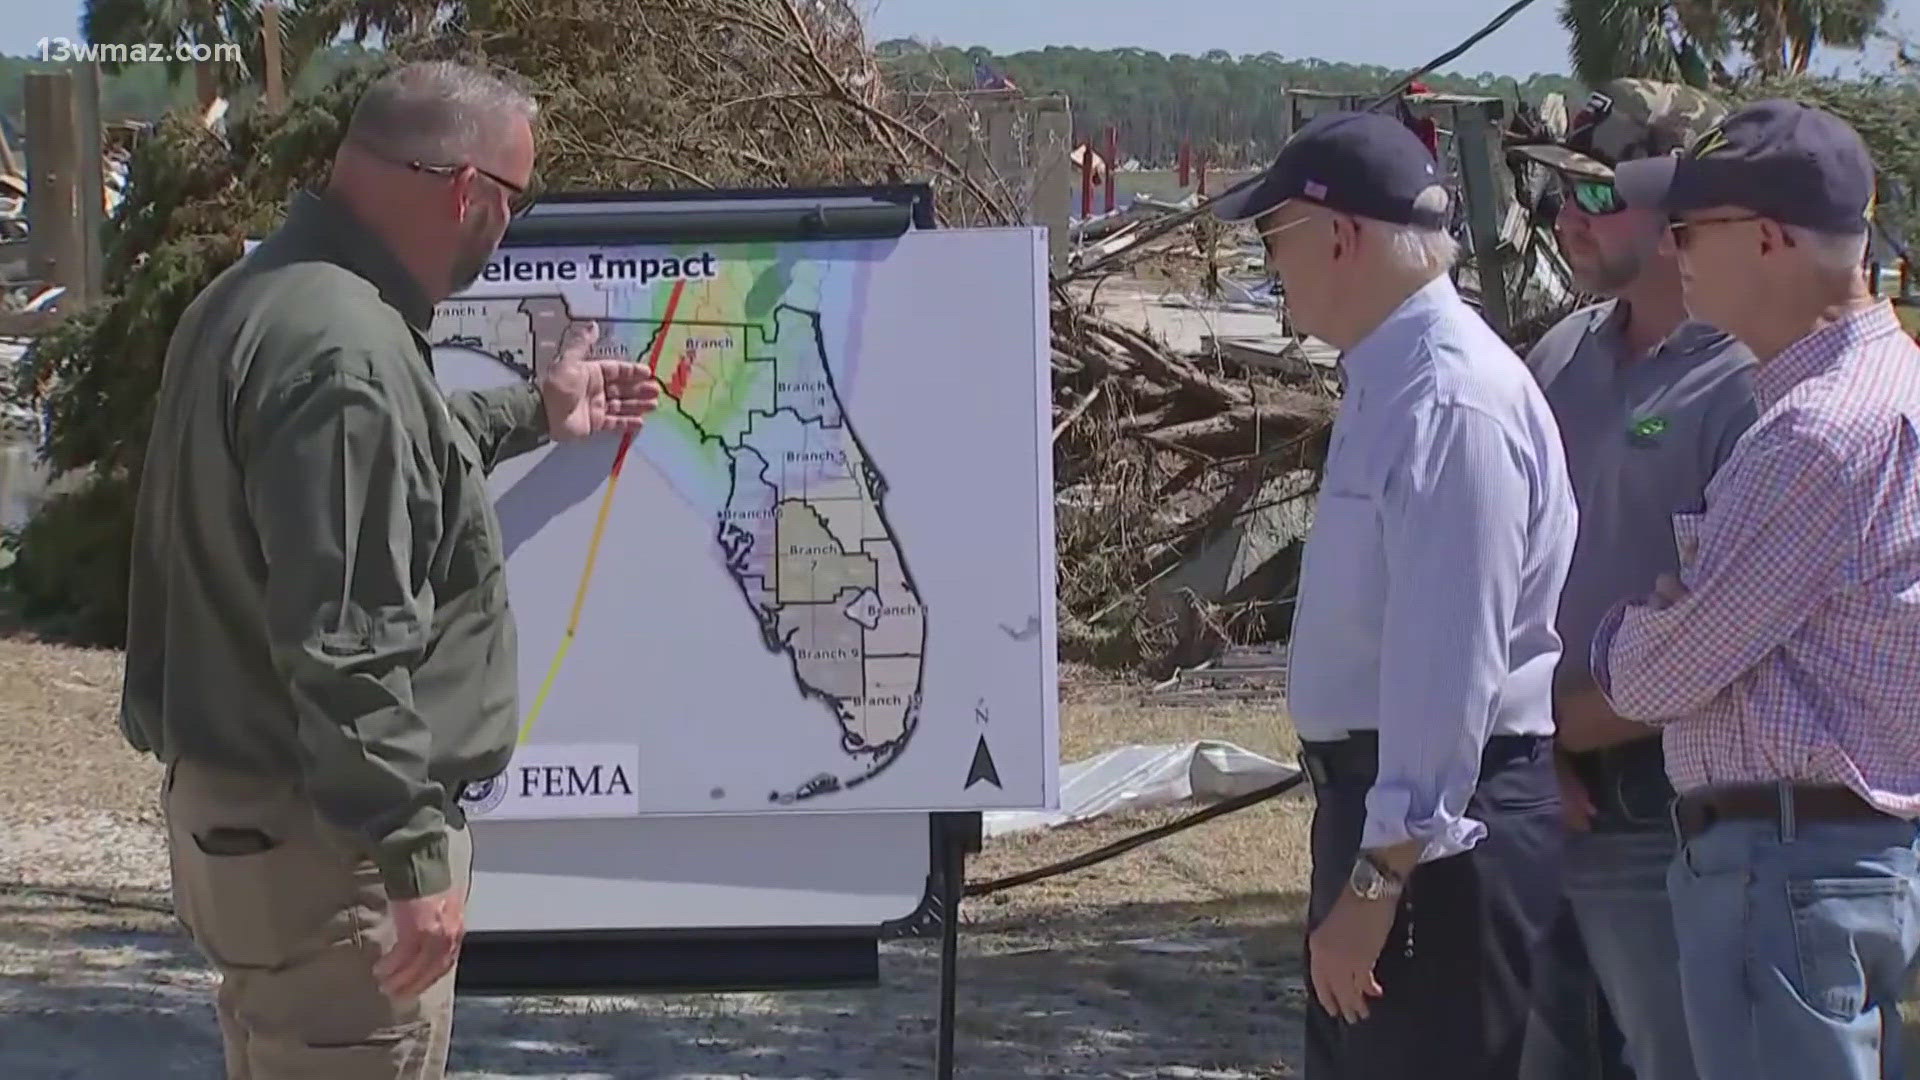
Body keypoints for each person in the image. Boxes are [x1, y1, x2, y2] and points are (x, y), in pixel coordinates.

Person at [119, 61, 661, 1078]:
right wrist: (412, 850)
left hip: (259, 833)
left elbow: (365, 468)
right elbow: (346, 639)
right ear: (465, 192)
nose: (506, 230)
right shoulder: (347, 351)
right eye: (512, 203)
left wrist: (536, 412)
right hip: (331, 853)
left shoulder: (261, 300)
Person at [1210, 109, 1578, 1078]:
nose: (1271, 266)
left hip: (1435, 840)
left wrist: (1375, 889)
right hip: (1396, 821)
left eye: (1273, 238)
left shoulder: (1450, 400)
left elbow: (1446, 669)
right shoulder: (1394, 380)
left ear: (1339, 236)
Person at [1590, 98, 1920, 1080]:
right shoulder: (1890, 390)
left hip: (1783, 871)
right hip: (1838, 863)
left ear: (1768, 238)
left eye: (1690, 227)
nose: (1673, 248)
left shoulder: (1813, 436)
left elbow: (1655, 677)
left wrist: (1624, 632)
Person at [1509, 79, 1758, 1080]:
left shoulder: (1751, 380)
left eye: (1601, 195)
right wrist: (1530, 743)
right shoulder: (1560, 353)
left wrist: (1566, 734)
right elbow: (1502, 567)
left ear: (1686, 209)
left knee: (1678, 1056)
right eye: (1558, 192)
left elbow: (1732, 628)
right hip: (1532, 791)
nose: (1569, 217)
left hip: (1672, 810)